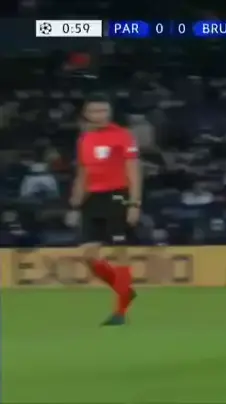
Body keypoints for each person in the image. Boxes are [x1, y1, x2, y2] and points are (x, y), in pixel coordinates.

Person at [66, 93, 141, 326]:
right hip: (93, 199)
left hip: (117, 195)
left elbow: (133, 171)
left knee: (120, 252)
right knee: (87, 255)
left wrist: (134, 203)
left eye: (104, 111)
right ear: (86, 114)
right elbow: (83, 174)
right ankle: (125, 291)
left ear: (110, 112)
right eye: (95, 111)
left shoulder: (123, 136)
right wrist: (75, 205)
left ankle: (120, 312)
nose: (100, 115)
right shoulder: (84, 139)